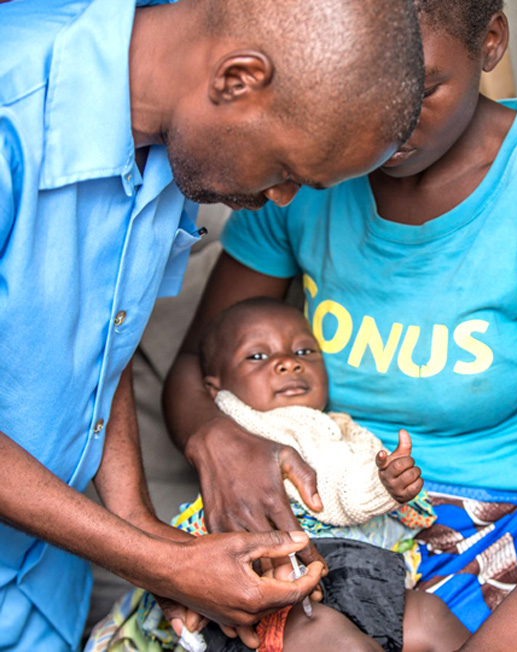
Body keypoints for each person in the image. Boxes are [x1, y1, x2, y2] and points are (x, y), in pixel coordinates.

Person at [164, 1, 517, 650]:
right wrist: (217, 441)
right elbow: (196, 370)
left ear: (490, 41)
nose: (388, 117)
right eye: (367, 85)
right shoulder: (311, 170)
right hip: (334, 505)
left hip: (496, 534)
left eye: (422, 88)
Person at [0, 0, 425, 648]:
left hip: (39, 581)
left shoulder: (172, 128)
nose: (280, 198)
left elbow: (98, 335)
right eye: (286, 171)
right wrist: (155, 560)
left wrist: (143, 527)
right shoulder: (14, 111)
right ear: (237, 78)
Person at [89, 297, 466, 651]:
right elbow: (327, 490)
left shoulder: (342, 431)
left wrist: (393, 482)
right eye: (257, 355)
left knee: (430, 618)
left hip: (355, 574)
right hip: (273, 594)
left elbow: (392, 505)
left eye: (304, 351)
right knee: (331, 637)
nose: (288, 363)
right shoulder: (243, 434)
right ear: (215, 389)